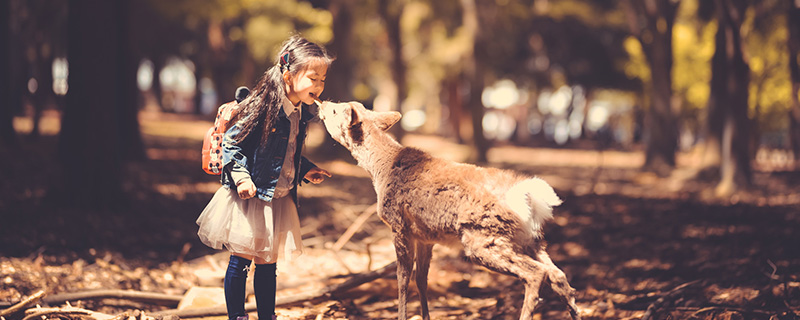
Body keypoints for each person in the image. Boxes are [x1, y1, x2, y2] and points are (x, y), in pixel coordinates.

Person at [196, 35, 333, 320]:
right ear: (288, 75)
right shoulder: (263, 105)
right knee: (242, 259)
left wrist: (306, 169)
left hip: (278, 197)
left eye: (322, 79)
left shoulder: (300, 112)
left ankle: (266, 316)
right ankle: (238, 316)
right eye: (313, 78)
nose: (319, 86)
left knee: (267, 263)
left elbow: (286, 151)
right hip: (252, 195)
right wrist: (242, 177)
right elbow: (232, 144)